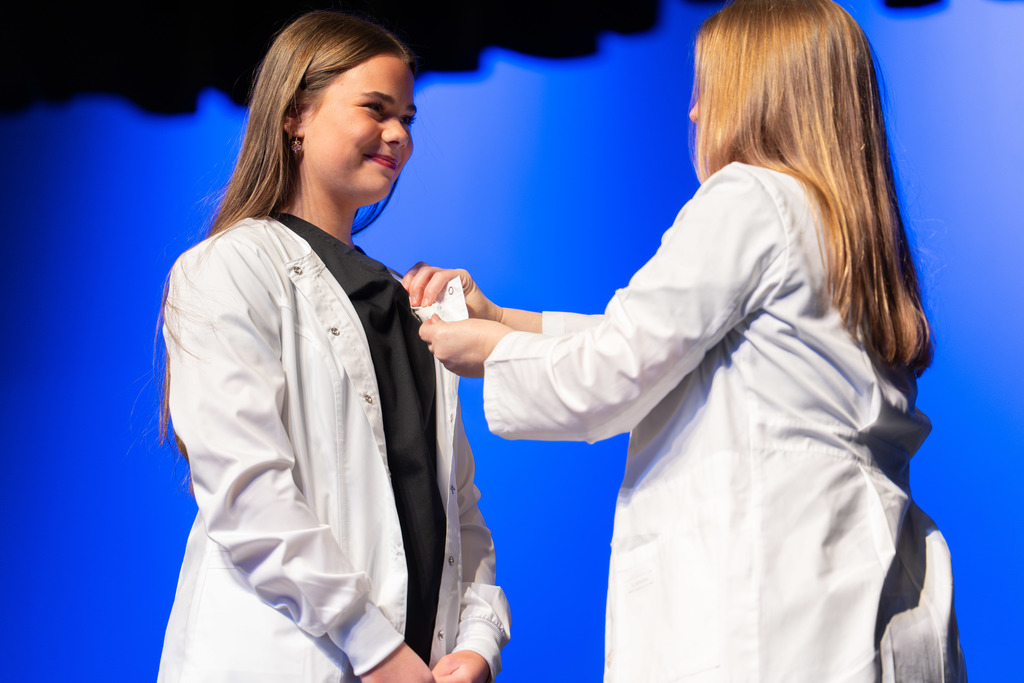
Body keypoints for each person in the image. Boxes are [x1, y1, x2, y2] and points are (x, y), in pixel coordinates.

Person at [407, 0, 965, 680]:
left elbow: (617, 369)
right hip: (863, 589)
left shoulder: (750, 199)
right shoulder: (843, 232)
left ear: (757, 95)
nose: (695, 112)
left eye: (706, 89)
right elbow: (673, 347)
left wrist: (482, 351)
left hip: (771, 610)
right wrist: (500, 320)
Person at [157, 11, 509, 683]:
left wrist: (478, 639)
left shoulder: (409, 304)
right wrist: (374, 646)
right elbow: (248, 493)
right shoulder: (226, 269)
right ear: (296, 115)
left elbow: (459, 510)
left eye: (408, 117)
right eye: (376, 109)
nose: (399, 135)